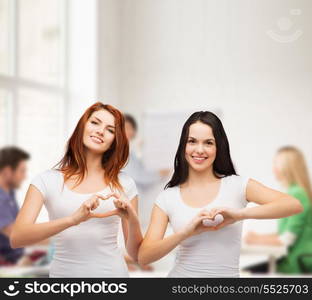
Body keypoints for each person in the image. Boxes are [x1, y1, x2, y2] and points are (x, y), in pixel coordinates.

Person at [138, 111, 303, 277]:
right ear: (183, 146)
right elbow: (144, 256)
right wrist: (185, 233)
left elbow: (293, 205)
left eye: (208, 143)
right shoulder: (168, 197)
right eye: (192, 141)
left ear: (218, 147)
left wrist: (239, 215)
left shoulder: (238, 185)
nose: (199, 150)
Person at [10, 102, 143, 277]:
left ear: (114, 141)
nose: (101, 131)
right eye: (95, 122)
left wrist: (132, 219)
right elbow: (18, 237)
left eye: (110, 130)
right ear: (82, 126)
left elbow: (136, 254)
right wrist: (73, 219)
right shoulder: (47, 180)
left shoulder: (124, 183)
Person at [244, 146, 312, 274]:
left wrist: (256, 240)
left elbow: (286, 239)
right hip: (292, 260)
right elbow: (286, 233)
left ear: (287, 168)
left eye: (276, 164)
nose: (273, 169)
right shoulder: (295, 192)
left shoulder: (297, 194)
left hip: (297, 263)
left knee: (246, 274)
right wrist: (258, 237)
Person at [123, 114, 170, 271]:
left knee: (132, 230)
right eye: (122, 127)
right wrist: (159, 174)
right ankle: (129, 260)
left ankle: (133, 259)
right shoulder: (122, 153)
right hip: (121, 197)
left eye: (129, 128)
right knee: (126, 230)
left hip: (133, 197)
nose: (125, 131)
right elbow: (140, 175)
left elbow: (139, 176)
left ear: (134, 132)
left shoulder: (130, 152)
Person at [0, 146, 29, 265]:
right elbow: (16, 234)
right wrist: (58, 238)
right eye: (22, 171)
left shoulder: (9, 194)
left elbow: (22, 227)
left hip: (16, 260)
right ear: (7, 172)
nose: (24, 176)